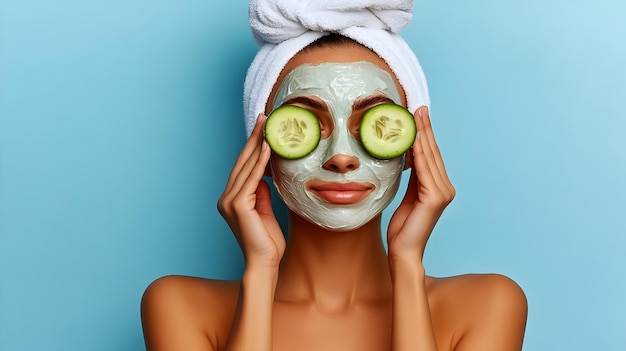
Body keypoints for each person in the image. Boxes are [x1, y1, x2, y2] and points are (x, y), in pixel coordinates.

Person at [141, 1, 527, 350]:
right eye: (304, 125)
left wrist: (407, 264)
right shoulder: (179, 306)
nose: (341, 157)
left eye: (375, 125)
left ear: (412, 149)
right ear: (263, 151)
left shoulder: (488, 304)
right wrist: (260, 273)